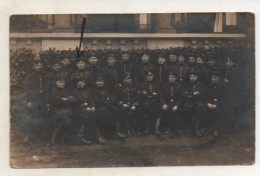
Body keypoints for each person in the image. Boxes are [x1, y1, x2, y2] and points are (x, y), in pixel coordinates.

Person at [24, 60, 51, 143]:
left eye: (40, 65)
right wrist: (29, 101)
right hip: (34, 100)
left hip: (42, 100)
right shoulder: (30, 76)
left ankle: (39, 137)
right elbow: (27, 90)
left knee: (41, 118)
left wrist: (47, 102)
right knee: (32, 118)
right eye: (37, 65)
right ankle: (28, 136)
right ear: (34, 66)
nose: (39, 67)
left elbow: (47, 90)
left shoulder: (45, 76)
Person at [90, 75, 114, 144]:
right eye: (99, 81)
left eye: (102, 81)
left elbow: (111, 98)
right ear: (95, 83)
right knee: (103, 114)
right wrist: (106, 100)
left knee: (115, 111)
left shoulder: (106, 90)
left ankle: (113, 133)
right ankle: (99, 136)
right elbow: (96, 100)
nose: (100, 83)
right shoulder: (93, 91)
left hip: (106, 107)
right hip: (98, 108)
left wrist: (107, 101)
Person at [50, 79, 74, 145]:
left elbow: (73, 101)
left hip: (68, 110)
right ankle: (57, 133)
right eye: (60, 82)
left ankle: (65, 136)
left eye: (63, 82)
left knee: (76, 118)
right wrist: (66, 100)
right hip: (59, 111)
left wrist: (62, 100)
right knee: (67, 120)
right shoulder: (54, 92)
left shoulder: (68, 91)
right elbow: (55, 103)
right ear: (56, 83)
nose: (62, 84)